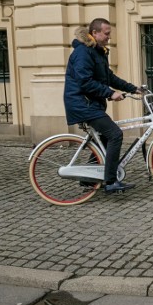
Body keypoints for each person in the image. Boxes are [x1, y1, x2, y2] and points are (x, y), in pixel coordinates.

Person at [63, 18, 140, 194]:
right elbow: (85, 82)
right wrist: (110, 93)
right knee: (115, 134)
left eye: (109, 34)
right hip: (82, 104)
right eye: (106, 33)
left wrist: (133, 88)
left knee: (105, 138)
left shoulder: (97, 52)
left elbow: (109, 77)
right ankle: (111, 181)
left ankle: (88, 178)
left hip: (89, 104)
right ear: (95, 33)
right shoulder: (83, 52)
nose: (108, 37)